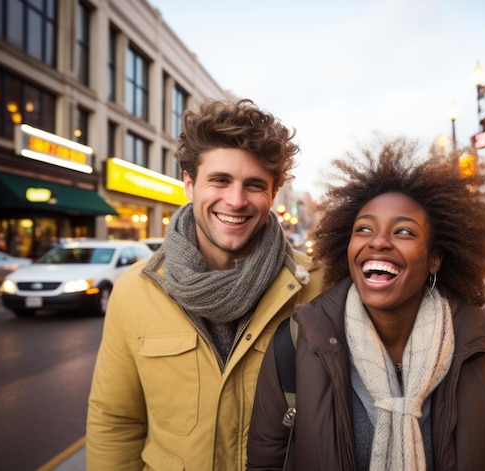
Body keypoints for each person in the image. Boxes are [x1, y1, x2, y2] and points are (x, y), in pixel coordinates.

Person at [247, 137, 485, 470]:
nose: (378, 241)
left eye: (403, 232)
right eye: (364, 229)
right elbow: (267, 461)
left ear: (434, 259)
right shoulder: (297, 342)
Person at [86, 98, 325, 470]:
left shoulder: (318, 287)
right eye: (220, 180)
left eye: (254, 185)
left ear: (273, 194)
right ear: (189, 184)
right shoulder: (135, 290)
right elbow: (115, 421)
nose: (236, 199)